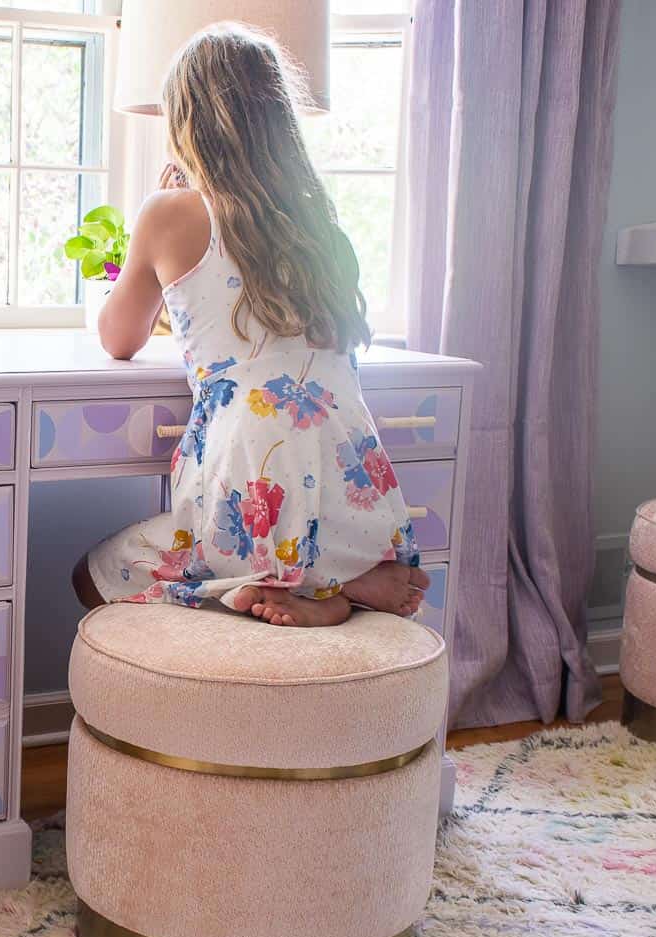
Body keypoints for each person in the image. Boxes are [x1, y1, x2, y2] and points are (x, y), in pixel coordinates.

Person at [74, 21, 428, 627]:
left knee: (91, 576)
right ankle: (331, 581)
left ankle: (274, 584)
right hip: (349, 467)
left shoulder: (169, 213)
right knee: (280, 529)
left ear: (187, 122)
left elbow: (119, 337)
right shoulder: (323, 226)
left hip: (248, 461)